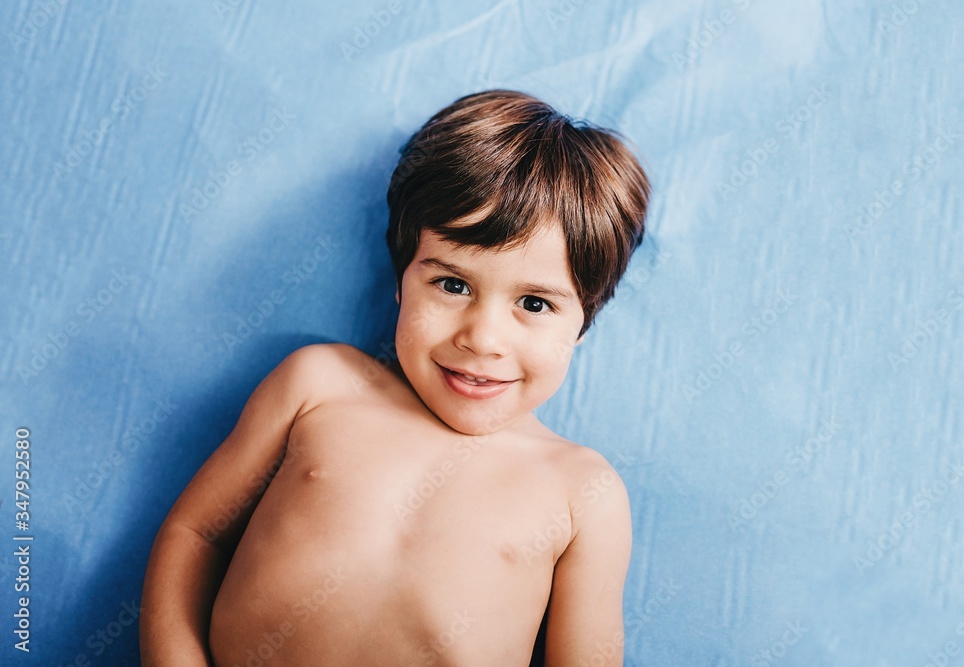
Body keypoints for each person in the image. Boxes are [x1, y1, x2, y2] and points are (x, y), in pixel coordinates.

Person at [139, 89, 650, 666]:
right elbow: (196, 534)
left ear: (584, 323)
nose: (482, 339)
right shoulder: (319, 386)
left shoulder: (583, 492)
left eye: (534, 304)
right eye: (452, 284)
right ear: (402, 278)